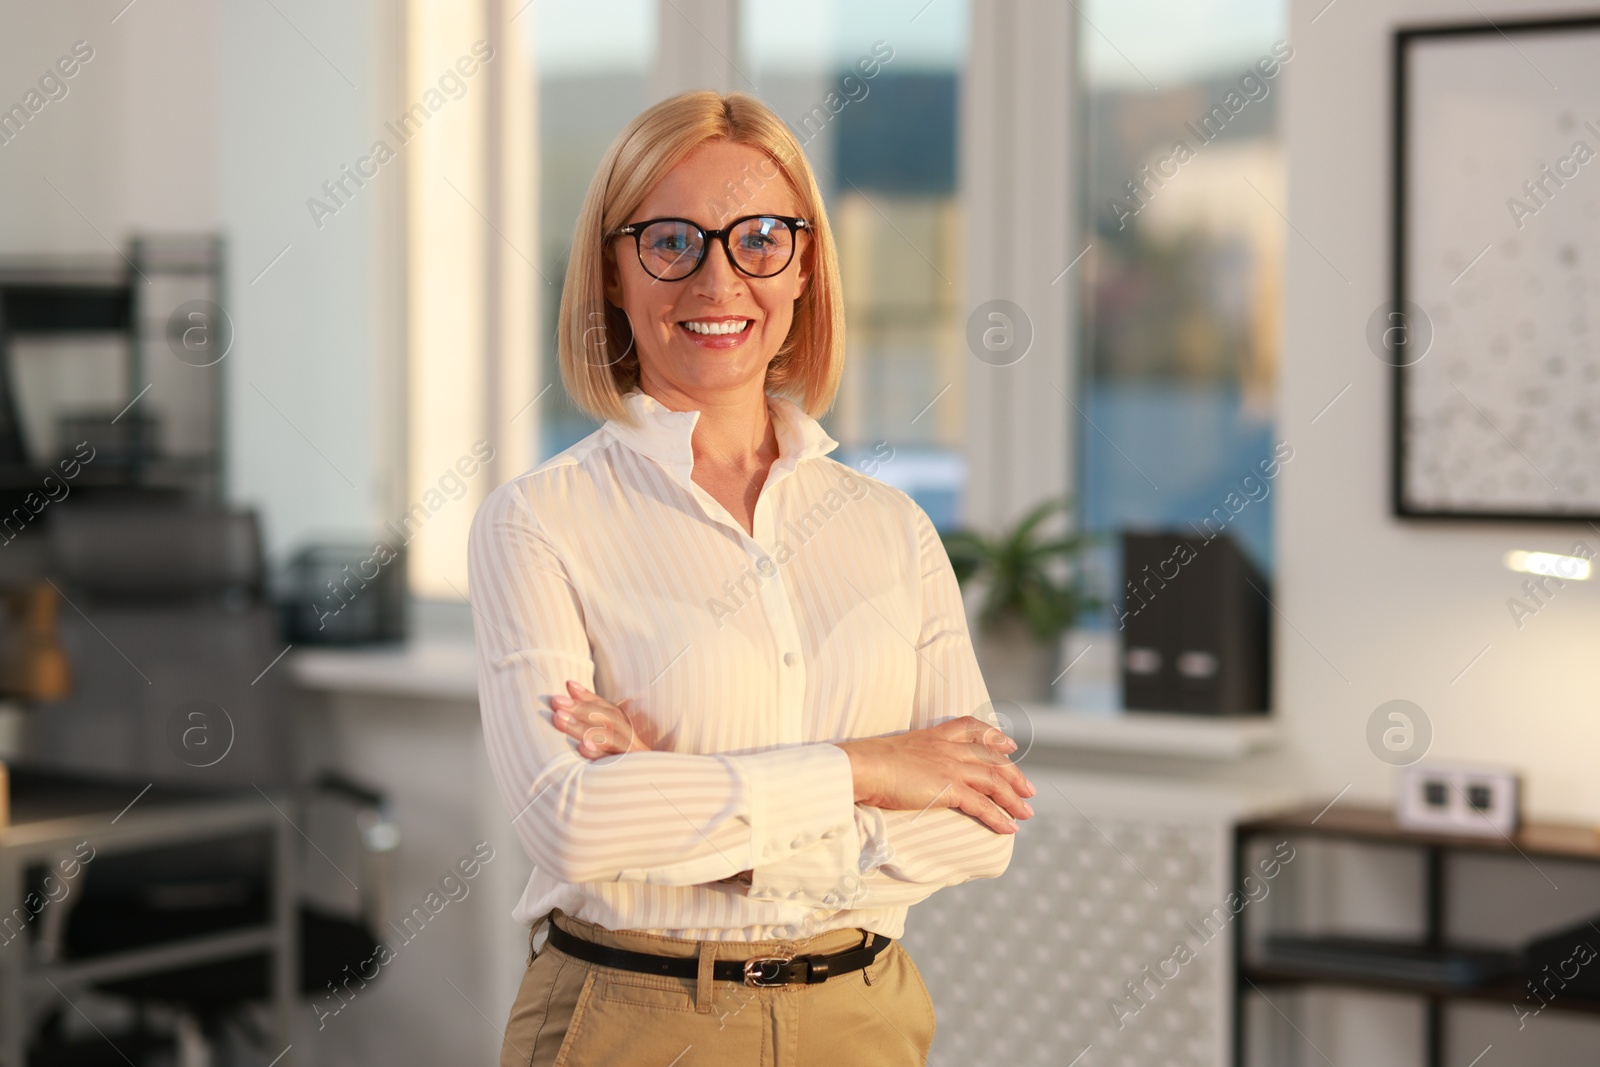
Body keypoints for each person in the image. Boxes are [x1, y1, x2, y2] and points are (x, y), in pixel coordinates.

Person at [467, 88, 1035, 1067]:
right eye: (671, 240)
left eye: (759, 237)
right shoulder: (537, 521)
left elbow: (980, 829)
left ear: (805, 265)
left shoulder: (889, 528)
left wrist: (682, 796)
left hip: (864, 1016)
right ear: (612, 268)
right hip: (635, 1015)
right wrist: (872, 767)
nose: (717, 277)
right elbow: (573, 820)